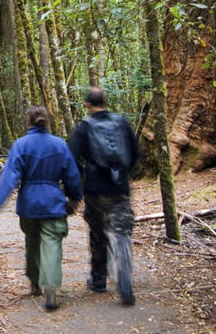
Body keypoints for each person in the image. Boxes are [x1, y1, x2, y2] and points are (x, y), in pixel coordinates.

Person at [0, 106, 82, 312]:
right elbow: (71, 175)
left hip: (29, 205)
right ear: (48, 122)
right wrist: (75, 196)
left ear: (29, 123)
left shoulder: (21, 145)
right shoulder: (59, 145)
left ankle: (34, 282)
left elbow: (11, 175)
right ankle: (50, 288)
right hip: (53, 203)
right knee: (52, 244)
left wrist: (0, 199)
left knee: (32, 243)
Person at [68, 86, 140, 305]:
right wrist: (124, 174)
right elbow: (135, 152)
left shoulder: (84, 128)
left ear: (87, 104)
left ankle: (99, 279)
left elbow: (71, 158)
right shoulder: (122, 123)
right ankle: (125, 280)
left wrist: (75, 189)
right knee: (121, 232)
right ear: (105, 102)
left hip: (95, 189)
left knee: (98, 233)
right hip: (119, 188)